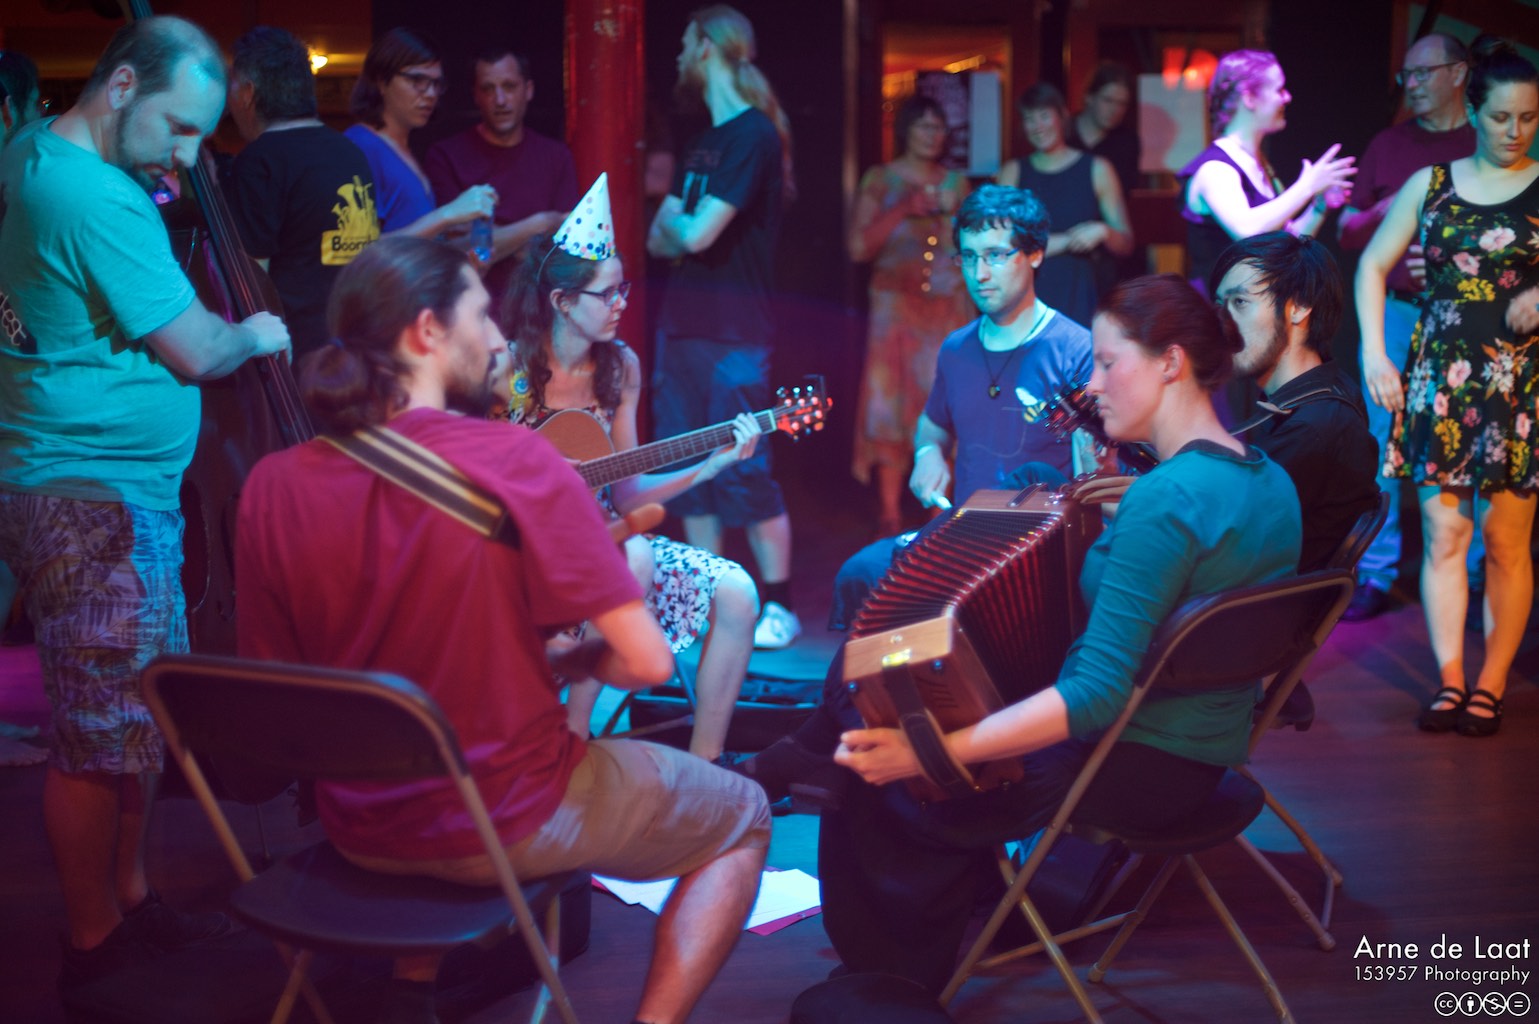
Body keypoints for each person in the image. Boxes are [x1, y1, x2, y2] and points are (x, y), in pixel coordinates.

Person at [237, 235, 770, 1024]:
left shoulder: (272, 483)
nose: (495, 338)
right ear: (427, 331)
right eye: (480, 315)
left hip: (358, 822)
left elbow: (281, 688)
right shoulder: (513, 460)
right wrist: (580, 643)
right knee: (745, 815)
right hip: (507, 815)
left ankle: (410, 992)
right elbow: (647, 665)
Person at [820, 274, 1301, 993]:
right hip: (1202, 757)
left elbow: (1095, 694)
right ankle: (959, 904)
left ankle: (887, 988)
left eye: (1108, 363)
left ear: (1170, 363)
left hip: (1126, 766)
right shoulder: (1267, 480)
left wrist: (930, 752)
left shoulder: (1165, 503)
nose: (1093, 383)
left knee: (889, 779)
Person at [0, 15, 291, 991]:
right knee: (95, 739)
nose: (187, 156)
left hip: (103, 488)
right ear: (122, 87)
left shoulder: (30, 148)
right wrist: (256, 332)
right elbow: (199, 350)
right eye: (178, 127)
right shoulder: (97, 197)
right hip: (94, 498)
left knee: (135, 718)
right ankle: (93, 951)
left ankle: (130, 901)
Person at [501, 175, 762, 764]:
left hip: (609, 541)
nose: (621, 303)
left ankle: (707, 769)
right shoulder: (510, 371)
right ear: (563, 302)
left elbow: (628, 490)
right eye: (607, 294)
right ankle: (573, 733)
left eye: (623, 289)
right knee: (634, 555)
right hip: (531, 558)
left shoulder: (621, 368)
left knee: (738, 592)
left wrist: (708, 469)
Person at [1357, 36, 1539, 739]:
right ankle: (1451, 679)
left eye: (1528, 118)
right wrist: (1375, 352)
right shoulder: (1430, 183)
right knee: (1442, 534)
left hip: (1517, 386)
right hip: (1442, 380)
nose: (1514, 131)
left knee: (1504, 541)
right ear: (1474, 112)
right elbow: (1372, 265)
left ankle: (1491, 683)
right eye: (1501, 118)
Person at [647, 5, 801, 650]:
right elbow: (657, 239)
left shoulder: (752, 135)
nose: (680, 53)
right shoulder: (702, 140)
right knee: (690, 469)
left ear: (708, 45)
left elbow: (692, 233)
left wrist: (678, 226)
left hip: (736, 330)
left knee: (744, 468)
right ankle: (705, 602)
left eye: (687, 42)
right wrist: (678, 227)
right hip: (681, 325)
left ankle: (780, 604)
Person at [1337, 33, 1476, 621]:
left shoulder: (1484, 141)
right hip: (1395, 312)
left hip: (1466, 319)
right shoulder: (1389, 144)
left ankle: (1474, 575)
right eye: (1407, 75)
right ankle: (1377, 569)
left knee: (1468, 437)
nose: (1411, 85)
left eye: (1424, 73)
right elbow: (1348, 232)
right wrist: (1389, 207)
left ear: (1458, 74)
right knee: (1383, 437)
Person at [1212, 232, 1379, 574]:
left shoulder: (1312, 424)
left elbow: (1231, 540)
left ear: (1299, 306)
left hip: (1253, 601)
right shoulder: (1322, 391)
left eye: (1240, 303)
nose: (1223, 325)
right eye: (1221, 306)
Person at [847, 95, 973, 536]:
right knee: (889, 404)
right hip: (895, 311)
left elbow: (972, 244)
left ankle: (938, 512)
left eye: (938, 127)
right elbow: (858, 247)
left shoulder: (956, 183)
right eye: (923, 126)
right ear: (906, 130)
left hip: (946, 308)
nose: (932, 135)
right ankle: (889, 513)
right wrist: (904, 207)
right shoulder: (881, 179)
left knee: (942, 400)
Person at [226, 26, 381, 359]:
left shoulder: (259, 161)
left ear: (248, 92)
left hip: (298, 357)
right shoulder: (350, 152)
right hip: (359, 346)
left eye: (232, 86)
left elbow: (252, 279)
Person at [1181, 49, 1357, 298]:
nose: (1287, 97)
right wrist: (1307, 185)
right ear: (1249, 98)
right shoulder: (1216, 169)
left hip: (1249, 311)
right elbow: (1248, 231)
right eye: (1279, 89)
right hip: (1214, 315)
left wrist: (1319, 207)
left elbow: (1283, 244)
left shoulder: (1259, 165)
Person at [424, 47, 578, 290]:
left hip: (538, 301)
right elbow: (450, 250)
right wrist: (536, 225)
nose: (500, 100)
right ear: (475, 95)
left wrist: (486, 234)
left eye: (509, 86)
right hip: (470, 301)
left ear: (528, 90)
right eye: (488, 89)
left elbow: (565, 248)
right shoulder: (444, 156)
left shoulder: (556, 156)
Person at [997, 82, 1134, 327]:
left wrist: (1104, 231)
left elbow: (1126, 243)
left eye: (1044, 116)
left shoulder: (1097, 169)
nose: (1038, 126)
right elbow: (1002, 244)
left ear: (1062, 116)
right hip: (1028, 297)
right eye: (1029, 119)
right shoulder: (1013, 172)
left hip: (1081, 296)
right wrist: (1069, 241)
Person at [344, 28, 496, 239]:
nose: (431, 93)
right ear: (381, 80)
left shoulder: (400, 147)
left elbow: (412, 240)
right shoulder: (361, 146)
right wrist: (447, 215)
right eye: (417, 80)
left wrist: (455, 231)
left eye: (436, 83)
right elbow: (360, 249)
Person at [1066, 62, 1140, 209]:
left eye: (1122, 104)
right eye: (1108, 100)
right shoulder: (1064, 134)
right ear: (1089, 97)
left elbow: (1123, 196)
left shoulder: (1127, 142)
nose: (1115, 110)